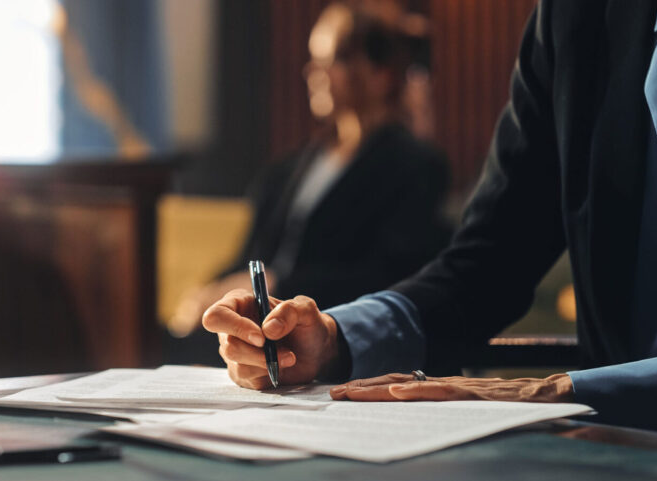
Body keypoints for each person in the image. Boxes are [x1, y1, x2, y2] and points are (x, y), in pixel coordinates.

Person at [202, 0, 657, 448]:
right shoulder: (576, 17)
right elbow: (488, 259)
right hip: (618, 456)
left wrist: (555, 393)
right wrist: (335, 339)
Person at [169, 2, 452, 337]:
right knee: (178, 335)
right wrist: (210, 291)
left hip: (329, 330)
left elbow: (389, 274)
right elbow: (251, 254)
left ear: (382, 74)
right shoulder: (289, 168)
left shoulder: (415, 166)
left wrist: (279, 283)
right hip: (260, 321)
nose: (315, 72)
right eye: (315, 59)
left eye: (335, 60)